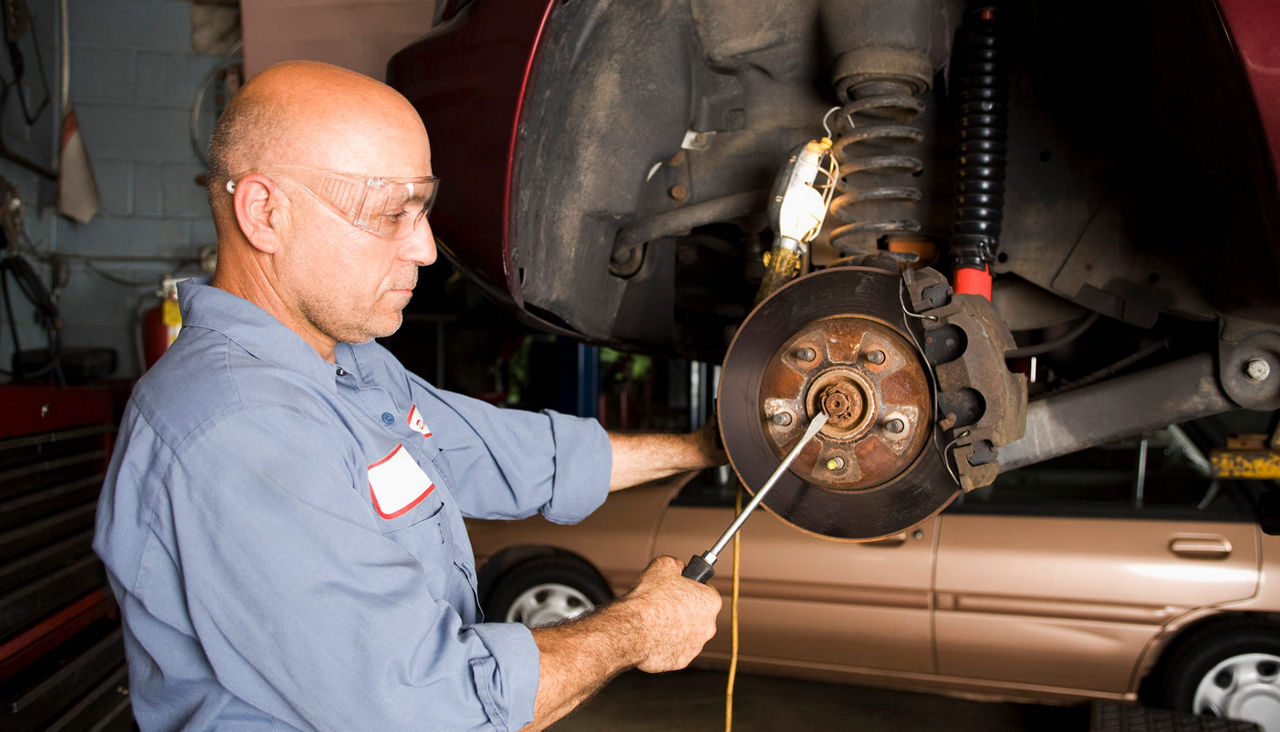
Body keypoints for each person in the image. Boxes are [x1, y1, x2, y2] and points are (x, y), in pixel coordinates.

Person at [93, 60, 723, 731]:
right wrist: (638, 626)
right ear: (264, 214)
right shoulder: (239, 430)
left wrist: (711, 446)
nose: (424, 247)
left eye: (422, 207)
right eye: (391, 211)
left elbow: (502, 454)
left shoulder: (349, 367)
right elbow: (431, 706)